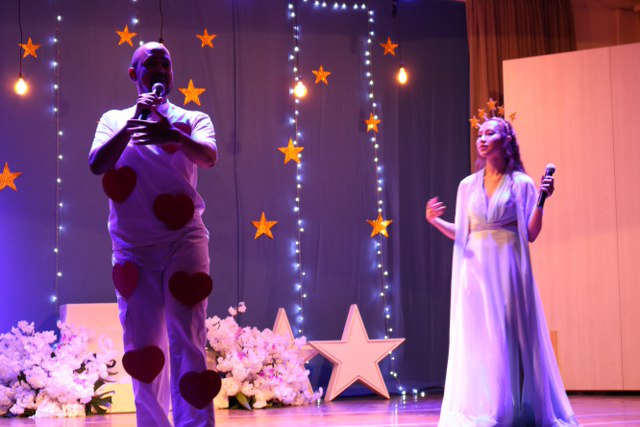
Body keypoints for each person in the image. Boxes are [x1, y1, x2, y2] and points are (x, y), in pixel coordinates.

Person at [89, 41, 218, 427]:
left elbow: (209, 156)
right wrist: (134, 122)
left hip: (184, 242)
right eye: (151, 64)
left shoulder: (190, 118)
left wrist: (172, 136)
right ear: (134, 74)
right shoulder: (114, 120)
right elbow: (97, 164)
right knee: (144, 347)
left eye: (166, 63)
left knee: (188, 339)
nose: (161, 70)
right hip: (133, 249)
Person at [426, 116, 579, 426]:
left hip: (509, 269)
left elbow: (531, 233)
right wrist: (434, 220)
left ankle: (518, 409)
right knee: (482, 338)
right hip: (476, 272)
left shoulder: (521, 183)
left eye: (490, 133)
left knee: (511, 336)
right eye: (480, 134)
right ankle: (489, 407)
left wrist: (542, 201)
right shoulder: (467, 186)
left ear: (506, 140)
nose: (482, 138)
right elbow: (463, 232)